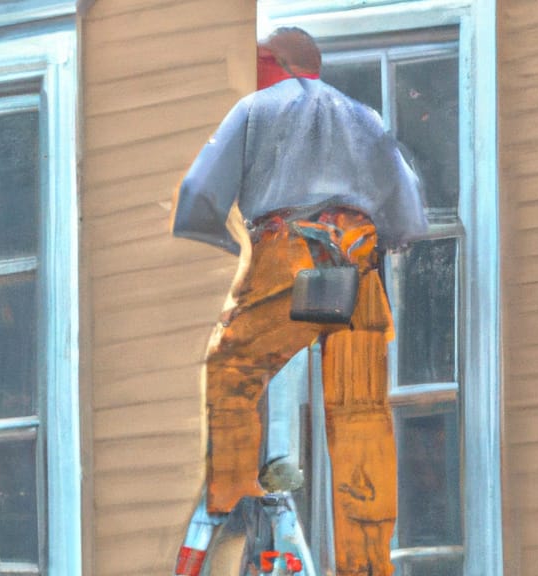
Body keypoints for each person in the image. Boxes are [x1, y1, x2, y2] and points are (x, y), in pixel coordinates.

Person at [172, 27, 427, 576]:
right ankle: (366, 564)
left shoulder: (257, 108)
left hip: (289, 252)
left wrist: (227, 240)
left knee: (232, 366)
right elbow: (407, 217)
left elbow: (197, 197)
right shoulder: (365, 118)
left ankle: (235, 495)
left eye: (263, 58)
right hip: (357, 264)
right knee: (361, 416)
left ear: (279, 63)